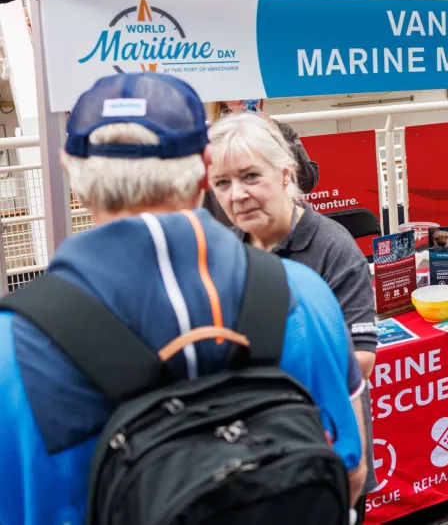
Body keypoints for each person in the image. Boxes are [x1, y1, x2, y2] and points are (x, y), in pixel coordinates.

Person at [0, 73, 367, 524]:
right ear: (204, 167)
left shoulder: (15, 347)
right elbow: (350, 473)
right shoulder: (301, 295)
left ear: (70, 171)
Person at [207, 111, 379, 513]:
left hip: (327, 450)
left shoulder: (332, 248)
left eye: (251, 176)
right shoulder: (224, 254)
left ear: (285, 174)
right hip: (251, 456)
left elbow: (361, 358)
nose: (237, 195)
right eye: (222, 183)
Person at [203, 99, 319, 227]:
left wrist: (277, 136)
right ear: (223, 100)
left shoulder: (281, 130)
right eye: (237, 93)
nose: (247, 99)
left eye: (252, 92)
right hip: (230, 230)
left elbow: (307, 183)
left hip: (278, 226)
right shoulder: (209, 137)